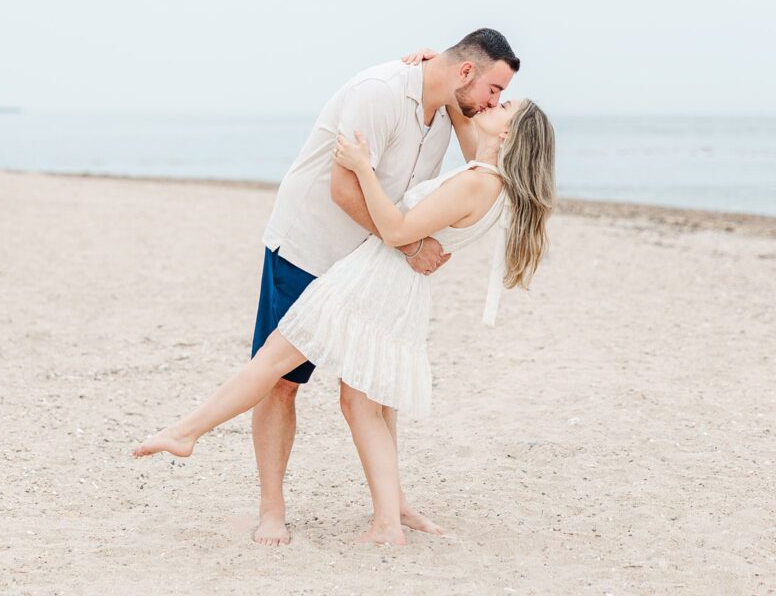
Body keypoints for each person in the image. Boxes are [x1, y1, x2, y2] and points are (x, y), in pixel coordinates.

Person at [134, 98, 557, 546]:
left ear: (508, 135)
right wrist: (443, 72)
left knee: (273, 361)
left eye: (505, 106)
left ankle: (185, 433)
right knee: (363, 405)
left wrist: (362, 167)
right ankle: (388, 520)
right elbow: (463, 111)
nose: (494, 103)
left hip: (373, 281)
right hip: (395, 289)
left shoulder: (478, 182)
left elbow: (397, 231)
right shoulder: (492, 182)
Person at [244, 28, 521, 545]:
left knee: (376, 387)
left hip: (369, 259)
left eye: (500, 97)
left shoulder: (454, 107)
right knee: (281, 380)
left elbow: (480, 157)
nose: (495, 102)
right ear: (467, 73)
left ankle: (391, 506)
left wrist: (453, 80)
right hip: (312, 245)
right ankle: (271, 509)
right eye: (493, 90)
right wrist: (408, 247)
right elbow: (343, 186)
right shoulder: (379, 92)